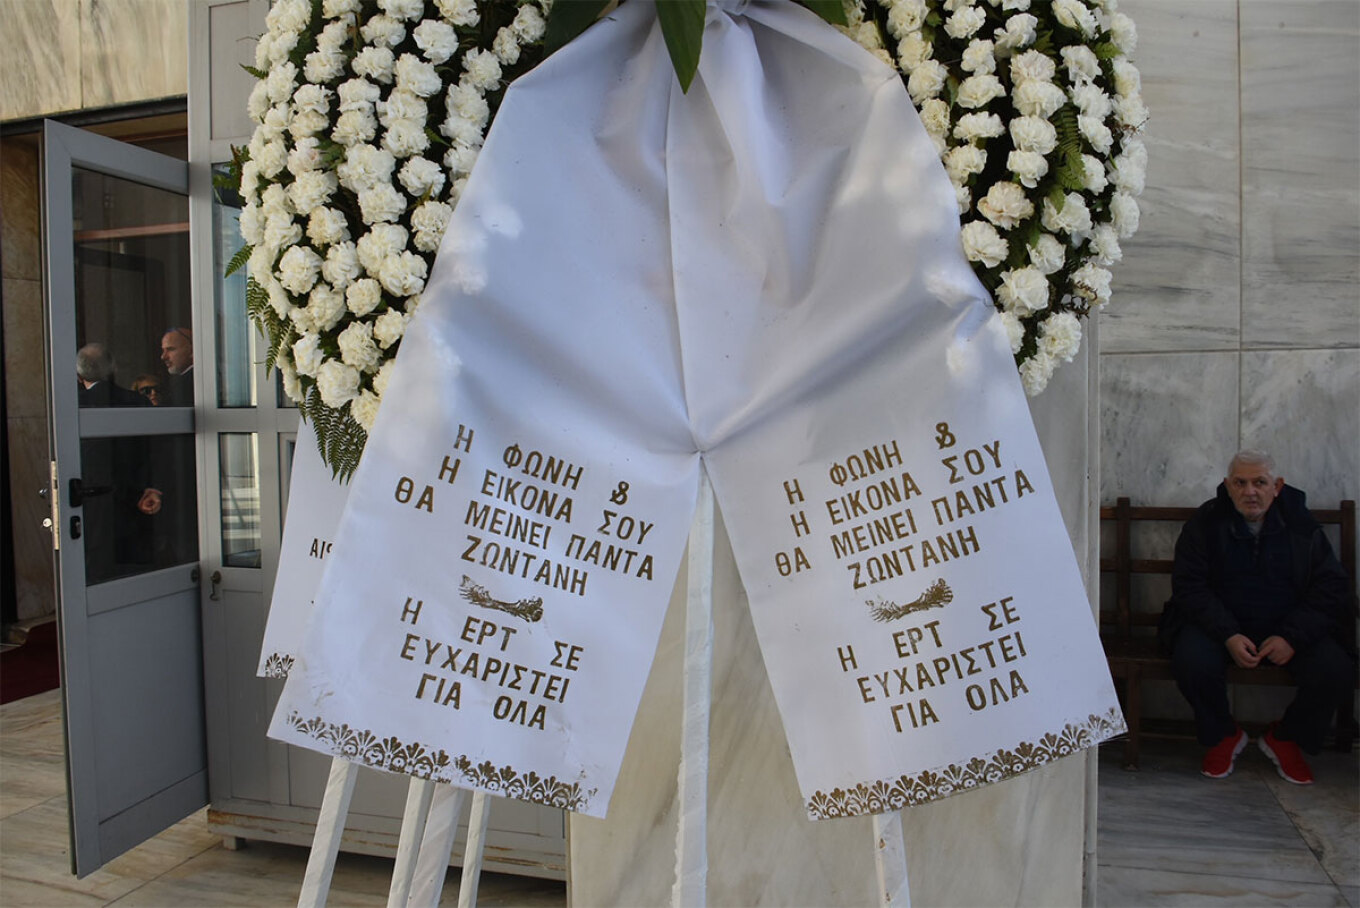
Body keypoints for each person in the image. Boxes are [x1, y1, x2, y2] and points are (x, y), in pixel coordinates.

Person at [1159, 451, 1355, 784]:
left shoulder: (1301, 526)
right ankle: (1223, 734)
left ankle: (1287, 738)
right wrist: (1228, 634)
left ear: (1277, 487)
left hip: (1286, 628)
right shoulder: (1206, 523)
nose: (1250, 492)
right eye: (1240, 483)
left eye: (1260, 483)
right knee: (1191, 661)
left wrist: (1292, 637)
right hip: (1221, 628)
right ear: (1227, 485)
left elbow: (1331, 588)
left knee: (1335, 670)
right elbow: (1189, 586)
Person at [160, 327, 194, 406]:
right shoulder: (180, 383)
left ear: (192, 350)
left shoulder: (187, 385)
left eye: (170, 349)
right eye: (163, 350)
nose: (163, 357)